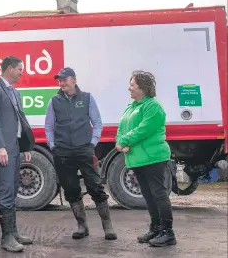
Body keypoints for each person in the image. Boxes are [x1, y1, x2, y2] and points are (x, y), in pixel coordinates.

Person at [45, 67, 117, 241]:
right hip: (62, 152)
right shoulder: (54, 101)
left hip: (84, 149)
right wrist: (53, 146)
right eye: (59, 80)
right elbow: (48, 126)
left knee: (95, 186)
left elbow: (97, 123)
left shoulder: (87, 98)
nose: (61, 82)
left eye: (64, 79)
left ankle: (107, 226)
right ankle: (82, 226)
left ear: (74, 80)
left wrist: (92, 143)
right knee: (71, 189)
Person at [115, 70, 176, 247]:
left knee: (159, 195)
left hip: (153, 158)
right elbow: (121, 128)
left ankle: (167, 232)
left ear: (142, 87)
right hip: (137, 159)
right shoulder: (131, 107)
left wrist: (124, 141)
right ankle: (156, 228)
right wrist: (119, 141)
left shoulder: (153, 107)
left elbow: (143, 129)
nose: (129, 88)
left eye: (132, 85)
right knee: (149, 196)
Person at [0, 56, 35, 252]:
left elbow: (20, 122)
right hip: (2, 148)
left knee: (12, 189)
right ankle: (6, 238)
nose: (22, 72)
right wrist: (0, 147)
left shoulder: (15, 92)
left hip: (13, 147)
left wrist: (25, 147)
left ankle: (13, 232)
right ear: (9, 68)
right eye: (20, 69)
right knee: (5, 190)